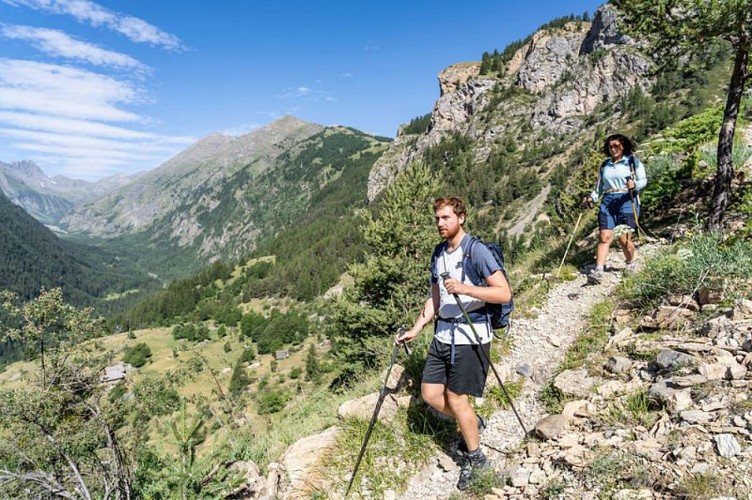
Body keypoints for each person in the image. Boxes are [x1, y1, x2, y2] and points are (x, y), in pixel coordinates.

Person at [396, 196, 511, 490]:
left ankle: (477, 459)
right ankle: (472, 421)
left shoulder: (477, 251)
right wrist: (417, 327)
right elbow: (436, 297)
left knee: (458, 398)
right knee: (431, 394)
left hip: (471, 335)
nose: (439, 223)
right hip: (443, 334)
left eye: (445, 218)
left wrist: (464, 288)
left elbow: (503, 293)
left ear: (461, 218)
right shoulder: (438, 254)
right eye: (437, 218)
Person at [582, 134, 647, 284]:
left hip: (627, 199)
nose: (613, 149)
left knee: (623, 238)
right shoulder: (605, 165)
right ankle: (598, 270)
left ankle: (630, 263)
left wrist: (634, 185)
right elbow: (599, 187)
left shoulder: (632, 161)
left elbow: (643, 180)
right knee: (604, 236)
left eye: (617, 146)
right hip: (608, 201)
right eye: (611, 146)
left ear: (623, 146)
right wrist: (592, 198)